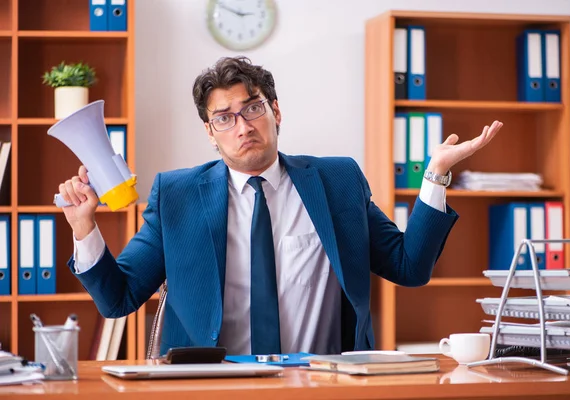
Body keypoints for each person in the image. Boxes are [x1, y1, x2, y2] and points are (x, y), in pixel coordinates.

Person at [59, 56, 503, 356]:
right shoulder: (176, 195)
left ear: (275, 111)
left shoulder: (338, 181)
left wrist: (435, 176)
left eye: (252, 108)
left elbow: (410, 267)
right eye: (224, 117)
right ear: (210, 132)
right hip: (208, 388)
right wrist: (84, 229)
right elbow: (119, 298)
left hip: (322, 382)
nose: (242, 126)